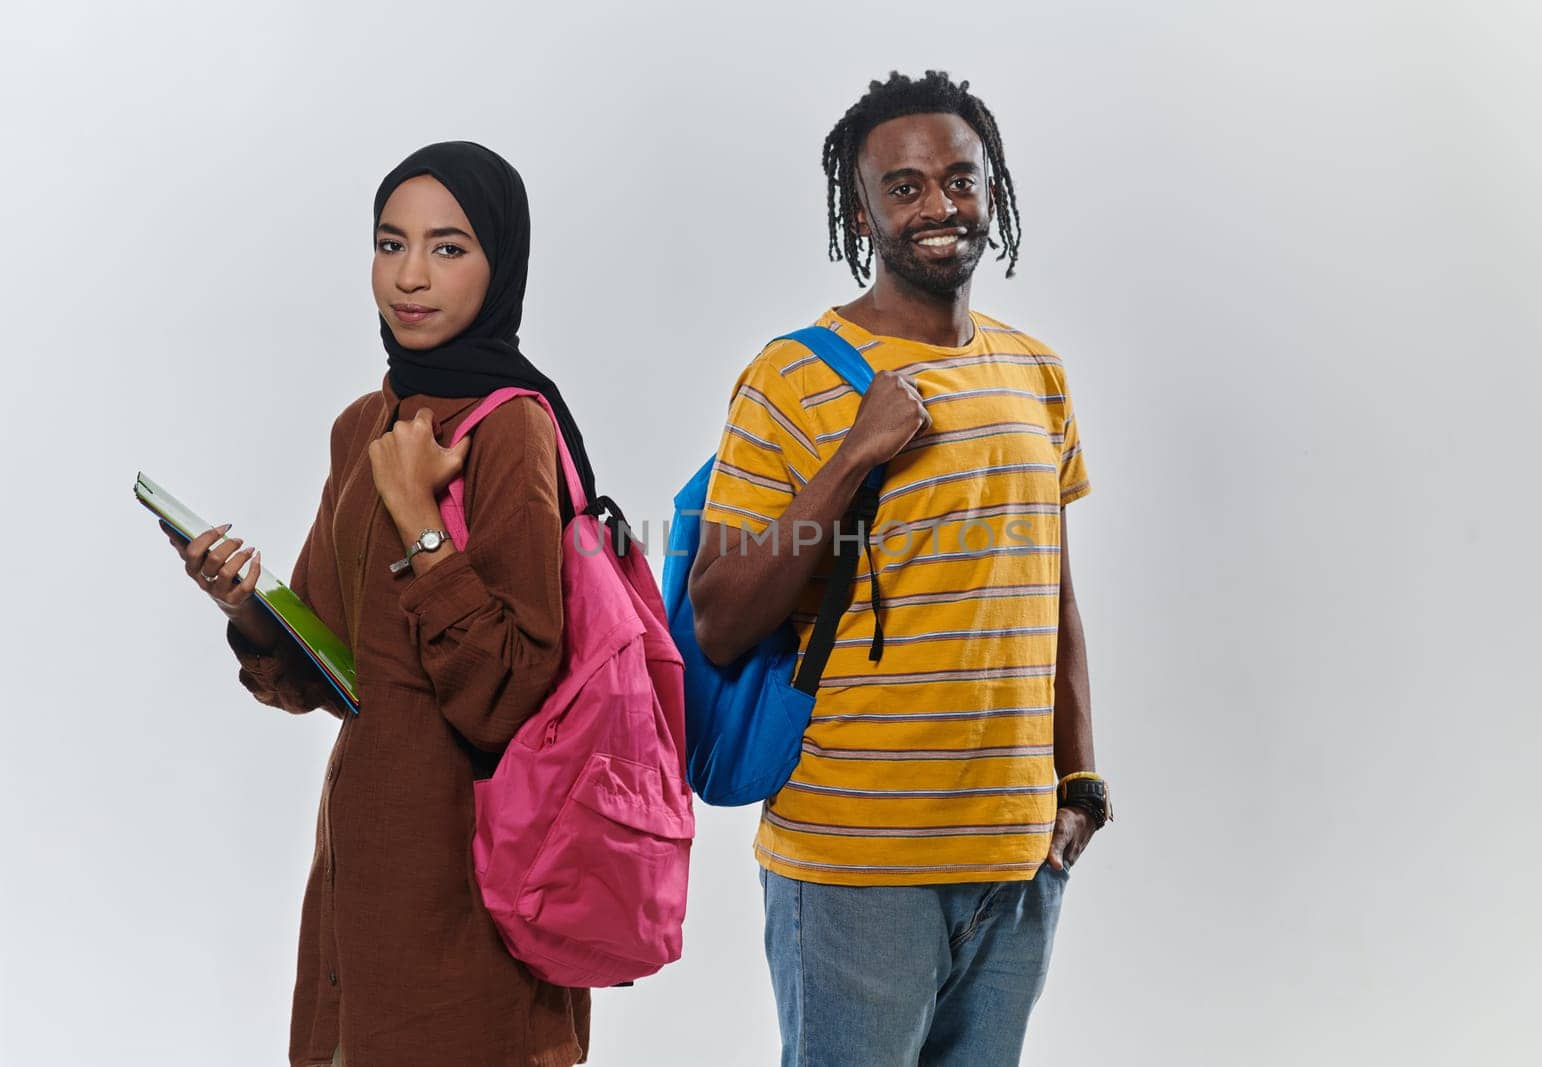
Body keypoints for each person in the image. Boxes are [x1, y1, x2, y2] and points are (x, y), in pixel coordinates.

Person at [688, 71, 1108, 1066]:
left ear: (992, 190)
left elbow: (1050, 589)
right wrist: (853, 451)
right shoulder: (789, 378)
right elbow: (719, 615)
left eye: (959, 180)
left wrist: (1079, 780)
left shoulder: (1035, 374)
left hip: (1015, 859)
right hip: (853, 861)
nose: (938, 207)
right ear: (860, 206)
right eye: (906, 186)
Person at [162, 141, 595, 1067]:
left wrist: (418, 522)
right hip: (364, 873)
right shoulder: (366, 422)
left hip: (473, 888)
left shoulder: (514, 425)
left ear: (502, 263)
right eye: (389, 243)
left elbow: (510, 692)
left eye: (448, 248)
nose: (409, 276)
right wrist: (244, 603)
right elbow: (331, 667)